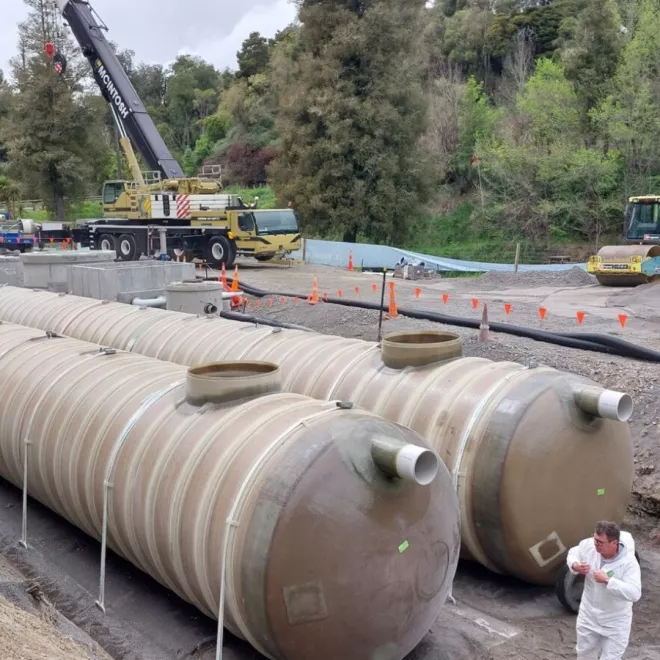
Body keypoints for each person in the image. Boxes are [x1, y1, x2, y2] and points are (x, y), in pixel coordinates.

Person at [567, 521, 642, 659]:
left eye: (600, 542)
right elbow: (573, 553)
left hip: (615, 622)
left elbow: (634, 593)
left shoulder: (629, 563)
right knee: (584, 654)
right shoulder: (589, 546)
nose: (595, 544)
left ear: (614, 543)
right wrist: (575, 565)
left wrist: (609, 581)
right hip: (588, 616)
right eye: (595, 539)